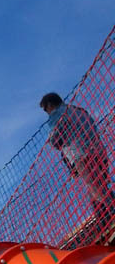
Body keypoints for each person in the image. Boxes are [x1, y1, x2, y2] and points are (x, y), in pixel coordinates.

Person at [41, 92, 114, 226]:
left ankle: (110, 216)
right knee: (98, 187)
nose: (47, 113)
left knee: (97, 189)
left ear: (50, 105)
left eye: (46, 109)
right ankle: (103, 221)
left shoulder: (56, 115)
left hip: (80, 155)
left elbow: (55, 141)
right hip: (99, 151)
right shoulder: (80, 110)